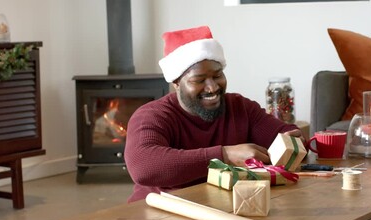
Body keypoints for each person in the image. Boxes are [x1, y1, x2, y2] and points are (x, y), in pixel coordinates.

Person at [124, 26, 304, 202]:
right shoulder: (152, 115)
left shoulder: (240, 107)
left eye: (218, 75)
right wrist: (224, 155)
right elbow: (143, 166)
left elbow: (286, 132)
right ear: (176, 82)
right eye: (199, 80)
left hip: (219, 207)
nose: (213, 87)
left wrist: (291, 142)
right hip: (159, 212)